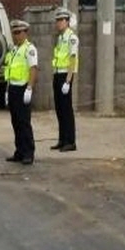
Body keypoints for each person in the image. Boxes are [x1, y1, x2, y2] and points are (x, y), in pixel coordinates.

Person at [4, 20, 39, 165]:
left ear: (25, 33)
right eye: (14, 33)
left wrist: (29, 88)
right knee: (15, 122)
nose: (16, 36)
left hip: (23, 88)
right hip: (13, 88)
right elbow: (9, 70)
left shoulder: (29, 49)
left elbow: (33, 69)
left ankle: (28, 153)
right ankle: (19, 151)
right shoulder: (13, 50)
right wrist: (7, 90)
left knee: (24, 122)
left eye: (19, 32)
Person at [51, 8, 79, 152]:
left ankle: (70, 141)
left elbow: (72, 59)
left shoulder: (71, 37)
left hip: (65, 76)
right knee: (59, 109)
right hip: (57, 74)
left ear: (67, 22)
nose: (58, 23)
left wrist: (68, 81)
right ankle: (62, 140)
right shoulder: (60, 38)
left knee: (66, 109)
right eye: (57, 21)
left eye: (61, 20)